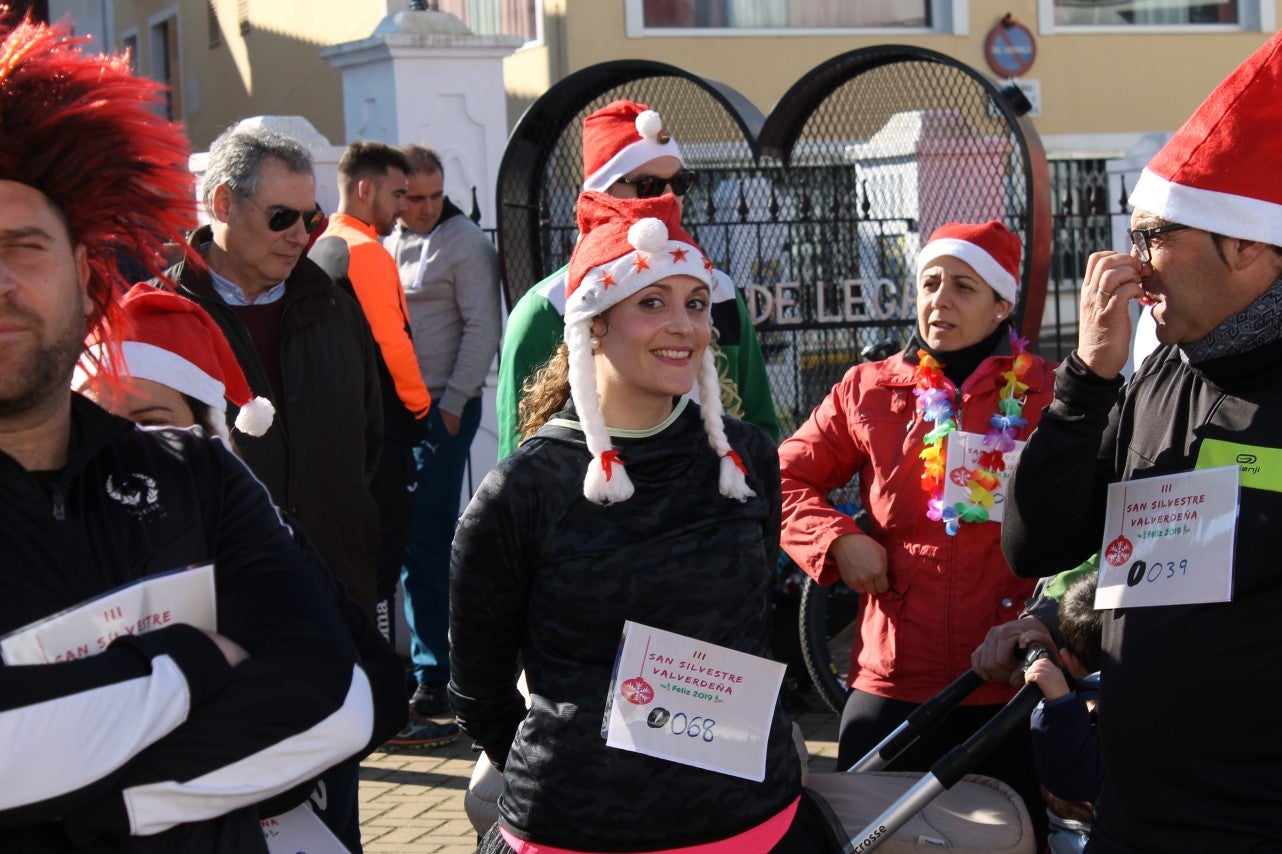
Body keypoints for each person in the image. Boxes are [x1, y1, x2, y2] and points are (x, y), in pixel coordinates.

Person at [0, 17, 377, 851]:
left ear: (84, 273)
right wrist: (193, 663)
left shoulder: (196, 477)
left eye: (22, 246)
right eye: (283, 216)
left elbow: (333, 693)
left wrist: (85, 810)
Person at [449, 192, 841, 852]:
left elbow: (748, 625)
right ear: (593, 324)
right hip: (579, 830)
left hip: (753, 823)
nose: (684, 325)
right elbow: (480, 691)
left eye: (695, 302)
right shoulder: (523, 491)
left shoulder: (742, 457)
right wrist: (583, 759)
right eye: (651, 302)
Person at [1001, 31, 1282, 853]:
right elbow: (1036, 540)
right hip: (1134, 810)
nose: (1133, 264)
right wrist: (1087, 377)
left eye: (1155, 236)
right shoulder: (1159, 378)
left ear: (1246, 248)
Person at [75, 284, 407, 851]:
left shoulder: (263, 540)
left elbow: (375, 685)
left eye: (149, 418)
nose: (120, 445)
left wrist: (271, 775)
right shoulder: (51, 549)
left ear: (205, 430)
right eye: (95, 419)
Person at [778, 221, 1056, 831]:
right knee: (866, 836)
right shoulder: (869, 389)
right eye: (930, 283)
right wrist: (836, 538)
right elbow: (783, 480)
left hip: (1009, 683)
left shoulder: (1048, 395)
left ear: (1002, 303)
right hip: (891, 678)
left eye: (963, 286)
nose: (940, 300)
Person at [159, 124, 385, 624]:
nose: (301, 236)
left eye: (310, 218)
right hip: (219, 607)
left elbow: (368, 442)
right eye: (282, 217)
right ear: (223, 205)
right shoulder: (159, 319)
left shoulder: (335, 309)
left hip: (339, 593)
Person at [495, 99, 779, 459]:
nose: (668, 198)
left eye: (679, 182)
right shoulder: (548, 307)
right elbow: (518, 457)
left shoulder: (718, 291)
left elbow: (760, 426)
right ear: (599, 195)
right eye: (646, 185)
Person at [384, 144, 501, 728]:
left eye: (435, 196)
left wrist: (452, 407)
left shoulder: (467, 244)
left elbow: (484, 325)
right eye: (413, 198)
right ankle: (426, 666)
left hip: (441, 411)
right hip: (400, 410)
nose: (426, 208)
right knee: (407, 541)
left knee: (426, 539)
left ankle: (439, 674)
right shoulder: (390, 238)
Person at [310, 143, 437, 672]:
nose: (404, 207)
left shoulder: (323, 245)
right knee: (381, 566)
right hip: (383, 433)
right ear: (365, 190)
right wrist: (420, 409)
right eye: (397, 194)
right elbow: (394, 342)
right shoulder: (364, 251)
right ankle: (391, 698)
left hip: (342, 434)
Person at [1024, 569, 1103, 854]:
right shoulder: (1157, 694)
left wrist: (1058, 703)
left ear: (1066, 659)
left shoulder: (1079, 709)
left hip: (1082, 840)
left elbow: (1073, 783)